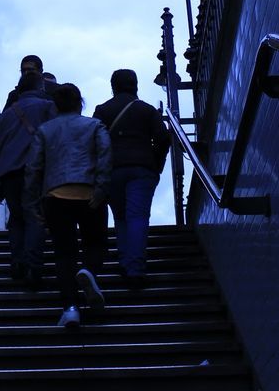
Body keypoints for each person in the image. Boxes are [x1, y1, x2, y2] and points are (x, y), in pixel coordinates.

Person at [24, 83, 111, 329]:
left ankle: (70, 309)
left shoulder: (44, 130)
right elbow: (105, 155)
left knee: (63, 254)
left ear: (56, 105)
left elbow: (33, 168)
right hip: (89, 193)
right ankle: (89, 271)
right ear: (79, 102)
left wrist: (32, 203)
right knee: (96, 242)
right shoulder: (94, 125)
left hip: (55, 195)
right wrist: (102, 187)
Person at [92, 69, 171, 288]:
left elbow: (93, 141)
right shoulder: (147, 110)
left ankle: (125, 260)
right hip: (142, 169)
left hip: (112, 171)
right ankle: (134, 268)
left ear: (113, 86)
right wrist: (156, 161)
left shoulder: (103, 110)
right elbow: (164, 139)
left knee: (120, 218)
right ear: (135, 85)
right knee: (137, 217)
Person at [0, 72, 56, 287]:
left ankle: (17, 262)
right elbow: (55, 135)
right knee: (34, 215)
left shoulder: (5, 115)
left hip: (8, 174)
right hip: (33, 170)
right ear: (40, 87)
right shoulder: (46, 107)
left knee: (16, 218)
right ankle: (33, 266)